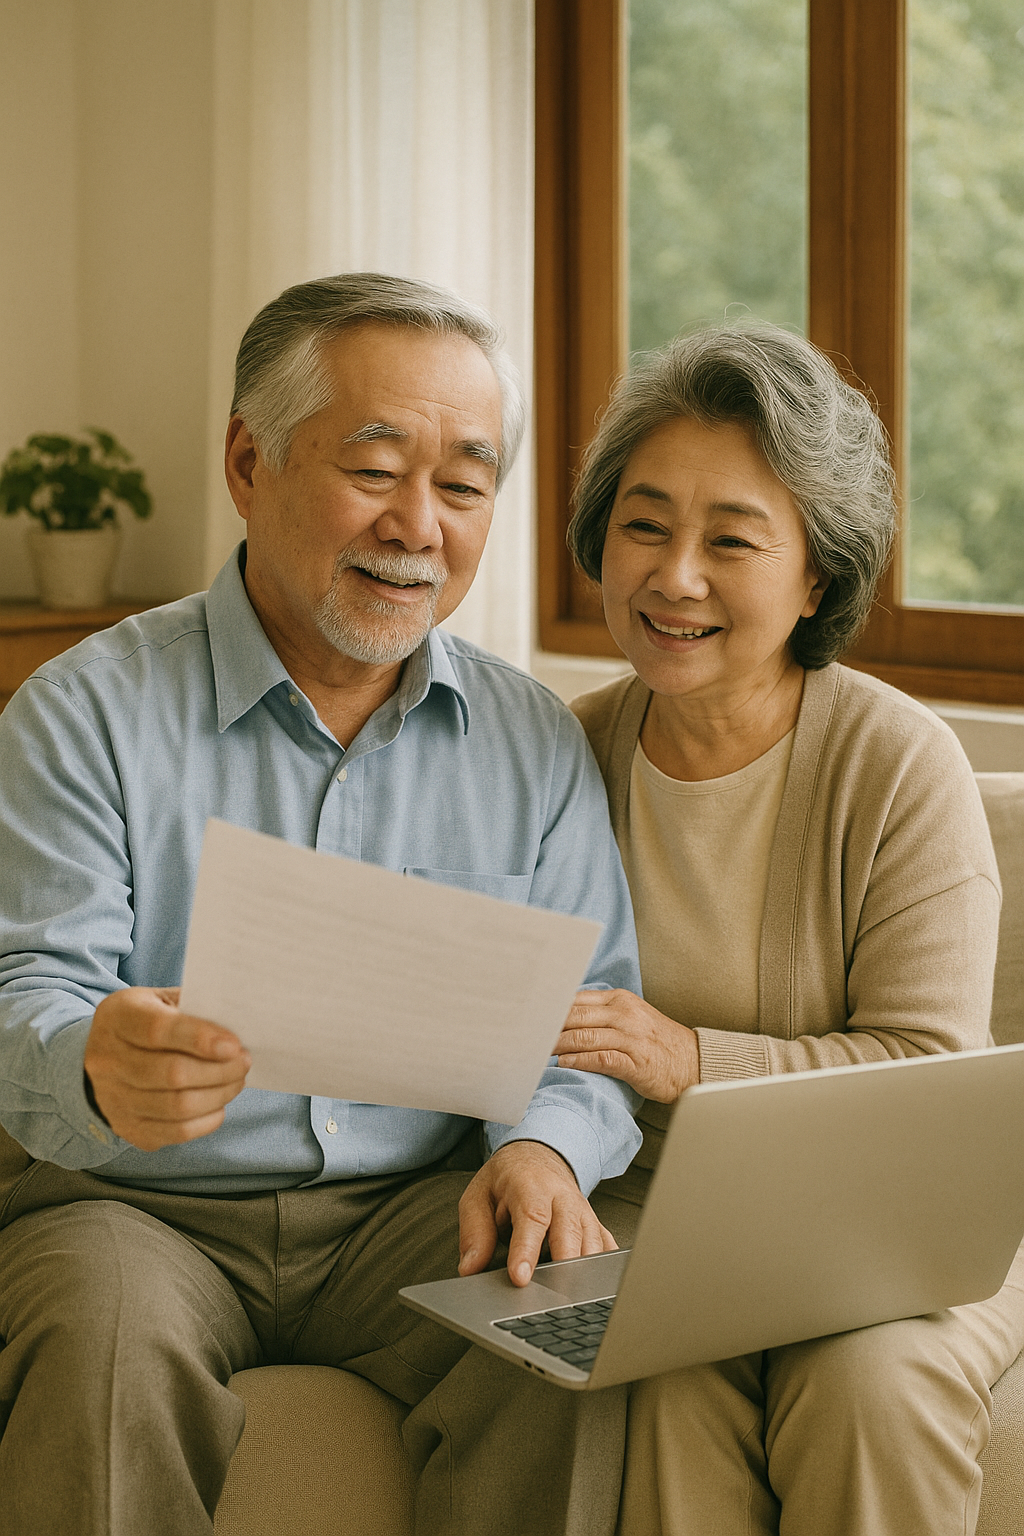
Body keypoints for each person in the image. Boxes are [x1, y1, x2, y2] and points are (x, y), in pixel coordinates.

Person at [0, 273, 645, 1536]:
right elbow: (23, 996)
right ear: (249, 463)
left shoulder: (531, 741)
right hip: (136, 1205)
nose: (419, 524)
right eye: (374, 467)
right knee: (102, 1341)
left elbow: (589, 1023)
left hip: (415, 1207)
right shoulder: (80, 714)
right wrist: (92, 1065)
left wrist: (543, 1145)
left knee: (580, 1330)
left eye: (462, 486)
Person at [555, 321, 1024, 1536]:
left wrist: (686, 1058)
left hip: (894, 1234)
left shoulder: (894, 762)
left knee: (868, 1386)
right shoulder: (560, 757)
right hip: (660, 1227)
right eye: (646, 524)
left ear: (815, 575)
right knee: (659, 1387)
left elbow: (928, 1072)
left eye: (732, 540)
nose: (675, 577)